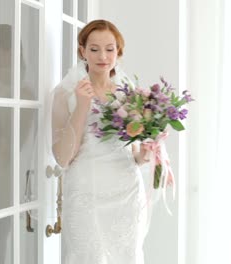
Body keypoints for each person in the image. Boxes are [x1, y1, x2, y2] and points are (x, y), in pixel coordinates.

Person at [50, 19, 150, 264]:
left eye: (110, 49)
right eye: (94, 49)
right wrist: (82, 106)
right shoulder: (65, 93)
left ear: (118, 52)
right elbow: (62, 158)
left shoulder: (129, 94)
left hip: (127, 193)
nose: (102, 56)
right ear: (83, 51)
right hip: (87, 193)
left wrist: (148, 149)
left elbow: (135, 155)